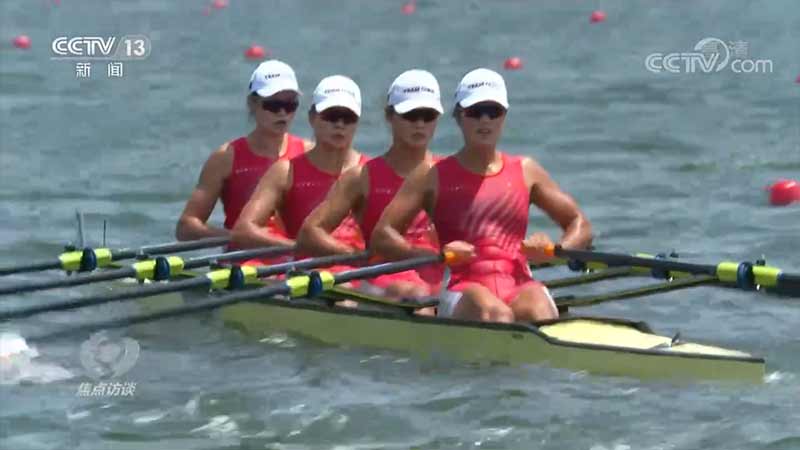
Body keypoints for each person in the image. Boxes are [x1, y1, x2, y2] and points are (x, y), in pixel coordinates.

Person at [371, 68, 593, 323]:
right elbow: (382, 235)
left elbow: (580, 223)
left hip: (519, 282)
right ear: (459, 116)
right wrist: (436, 256)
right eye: (475, 112)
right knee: (496, 314)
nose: (485, 120)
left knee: (538, 310)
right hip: (463, 287)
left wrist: (556, 250)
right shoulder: (431, 175)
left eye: (493, 111)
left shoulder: (526, 170)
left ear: (504, 116)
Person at [297, 70, 444, 304]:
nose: (419, 124)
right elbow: (309, 233)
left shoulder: (449, 173)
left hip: (438, 276)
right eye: (410, 115)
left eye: (428, 116)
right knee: (416, 295)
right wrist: (350, 254)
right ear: (390, 116)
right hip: (384, 277)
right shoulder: (362, 177)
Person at [232, 75, 368, 266]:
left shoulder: (372, 172)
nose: (339, 125)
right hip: (305, 269)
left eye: (348, 118)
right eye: (331, 116)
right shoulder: (285, 172)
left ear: (357, 122)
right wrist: (302, 246)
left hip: (358, 268)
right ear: (312, 118)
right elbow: (244, 230)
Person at [175, 60, 310, 242]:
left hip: (296, 256)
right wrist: (237, 237)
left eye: (290, 105)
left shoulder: (309, 153)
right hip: (245, 257)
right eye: (273, 105)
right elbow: (186, 227)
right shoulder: (226, 157)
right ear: (252, 103)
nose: (282, 113)